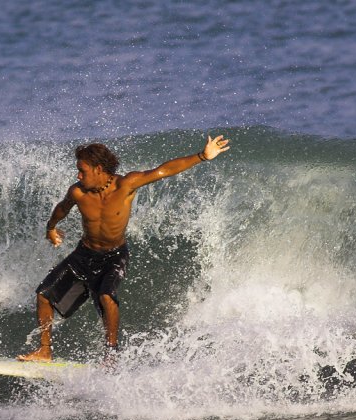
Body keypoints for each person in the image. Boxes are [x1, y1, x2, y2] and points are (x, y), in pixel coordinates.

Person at [18, 134, 231, 362]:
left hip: (114, 256)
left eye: (83, 170)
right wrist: (51, 227)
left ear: (99, 169)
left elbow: (163, 170)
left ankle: (111, 355)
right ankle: (45, 350)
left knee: (106, 296)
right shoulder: (78, 192)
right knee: (44, 295)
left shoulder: (126, 185)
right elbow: (63, 207)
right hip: (85, 253)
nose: (78, 175)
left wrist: (202, 156)